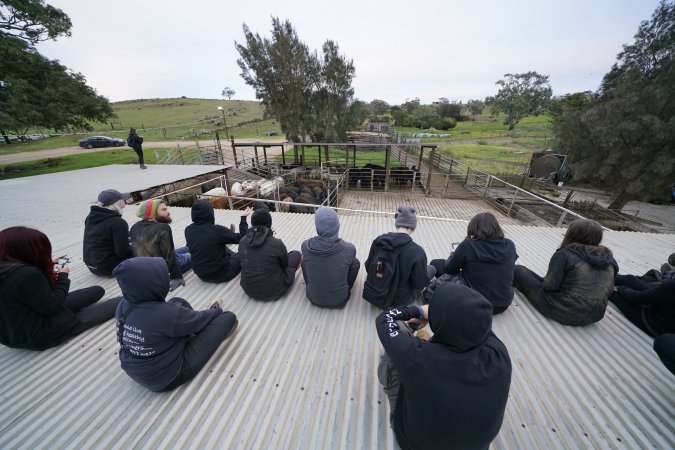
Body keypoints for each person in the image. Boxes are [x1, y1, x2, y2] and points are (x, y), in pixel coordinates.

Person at [376, 283, 512, 450]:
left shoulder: (418, 358)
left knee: (395, 345)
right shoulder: (500, 355)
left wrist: (420, 311)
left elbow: (385, 318)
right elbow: (479, 326)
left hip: (413, 443)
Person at [113, 257, 237, 392]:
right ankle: (197, 331)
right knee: (228, 318)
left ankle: (189, 327)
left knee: (177, 301)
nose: (167, 277)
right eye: (162, 276)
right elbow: (201, 319)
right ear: (152, 283)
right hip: (168, 377)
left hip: (137, 370)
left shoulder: (123, 305)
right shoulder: (165, 314)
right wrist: (215, 310)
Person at [0, 226, 121, 350]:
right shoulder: (27, 274)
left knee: (97, 291)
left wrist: (46, 265)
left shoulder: (9, 269)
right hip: (39, 334)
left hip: (18, 324)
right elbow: (52, 307)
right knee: (120, 301)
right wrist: (63, 276)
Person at [513, 218, 618, 326]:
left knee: (518, 270)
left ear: (572, 234)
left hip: (561, 311)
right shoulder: (609, 259)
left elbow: (550, 286)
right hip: (595, 316)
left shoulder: (564, 254)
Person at [430, 212, 518, 314]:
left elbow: (450, 269)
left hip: (476, 303)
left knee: (436, 263)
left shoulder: (468, 244)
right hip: (502, 305)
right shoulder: (510, 245)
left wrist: (453, 254)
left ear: (473, 228)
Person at [363, 205, 434, 308]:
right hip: (397, 301)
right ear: (413, 227)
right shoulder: (417, 251)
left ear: (397, 224)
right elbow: (419, 283)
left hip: (374, 294)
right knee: (431, 268)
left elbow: (368, 266)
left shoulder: (379, 241)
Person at [301, 207, 360, 308]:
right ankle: (346, 288)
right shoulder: (349, 248)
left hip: (313, 297)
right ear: (337, 225)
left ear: (317, 226)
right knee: (356, 263)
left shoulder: (305, 245)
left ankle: (310, 285)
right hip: (340, 300)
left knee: (303, 261)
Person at [238, 207, 301, 301]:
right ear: (269, 223)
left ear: (252, 223)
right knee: (295, 254)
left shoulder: (243, 241)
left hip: (248, 289)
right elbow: (284, 265)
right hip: (275, 291)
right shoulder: (277, 243)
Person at [129, 199, 191, 291]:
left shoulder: (135, 227)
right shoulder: (163, 228)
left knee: (186, 248)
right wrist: (177, 277)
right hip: (163, 267)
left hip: (148, 266)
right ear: (153, 213)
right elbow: (169, 255)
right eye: (164, 210)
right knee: (198, 253)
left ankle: (192, 246)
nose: (168, 212)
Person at [185, 200, 252, 283]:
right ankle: (232, 250)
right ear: (210, 213)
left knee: (213, 243)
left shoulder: (188, 230)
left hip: (201, 275)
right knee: (241, 254)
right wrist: (243, 218)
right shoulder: (217, 230)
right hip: (222, 274)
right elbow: (243, 239)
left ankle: (230, 247)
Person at [83, 189, 134, 276]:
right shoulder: (118, 223)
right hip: (110, 268)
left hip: (92, 266)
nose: (124, 201)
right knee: (141, 246)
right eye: (122, 199)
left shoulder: (91, 217)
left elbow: (104, 234)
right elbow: (123, 252)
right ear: (116, 203)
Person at [609, 274, 675, 336]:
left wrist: (621, 289)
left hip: (655, 323)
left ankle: (604, 278)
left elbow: (639, 298)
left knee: (612, 293)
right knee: (629, 279)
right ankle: (607, 274)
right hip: (661, 304)